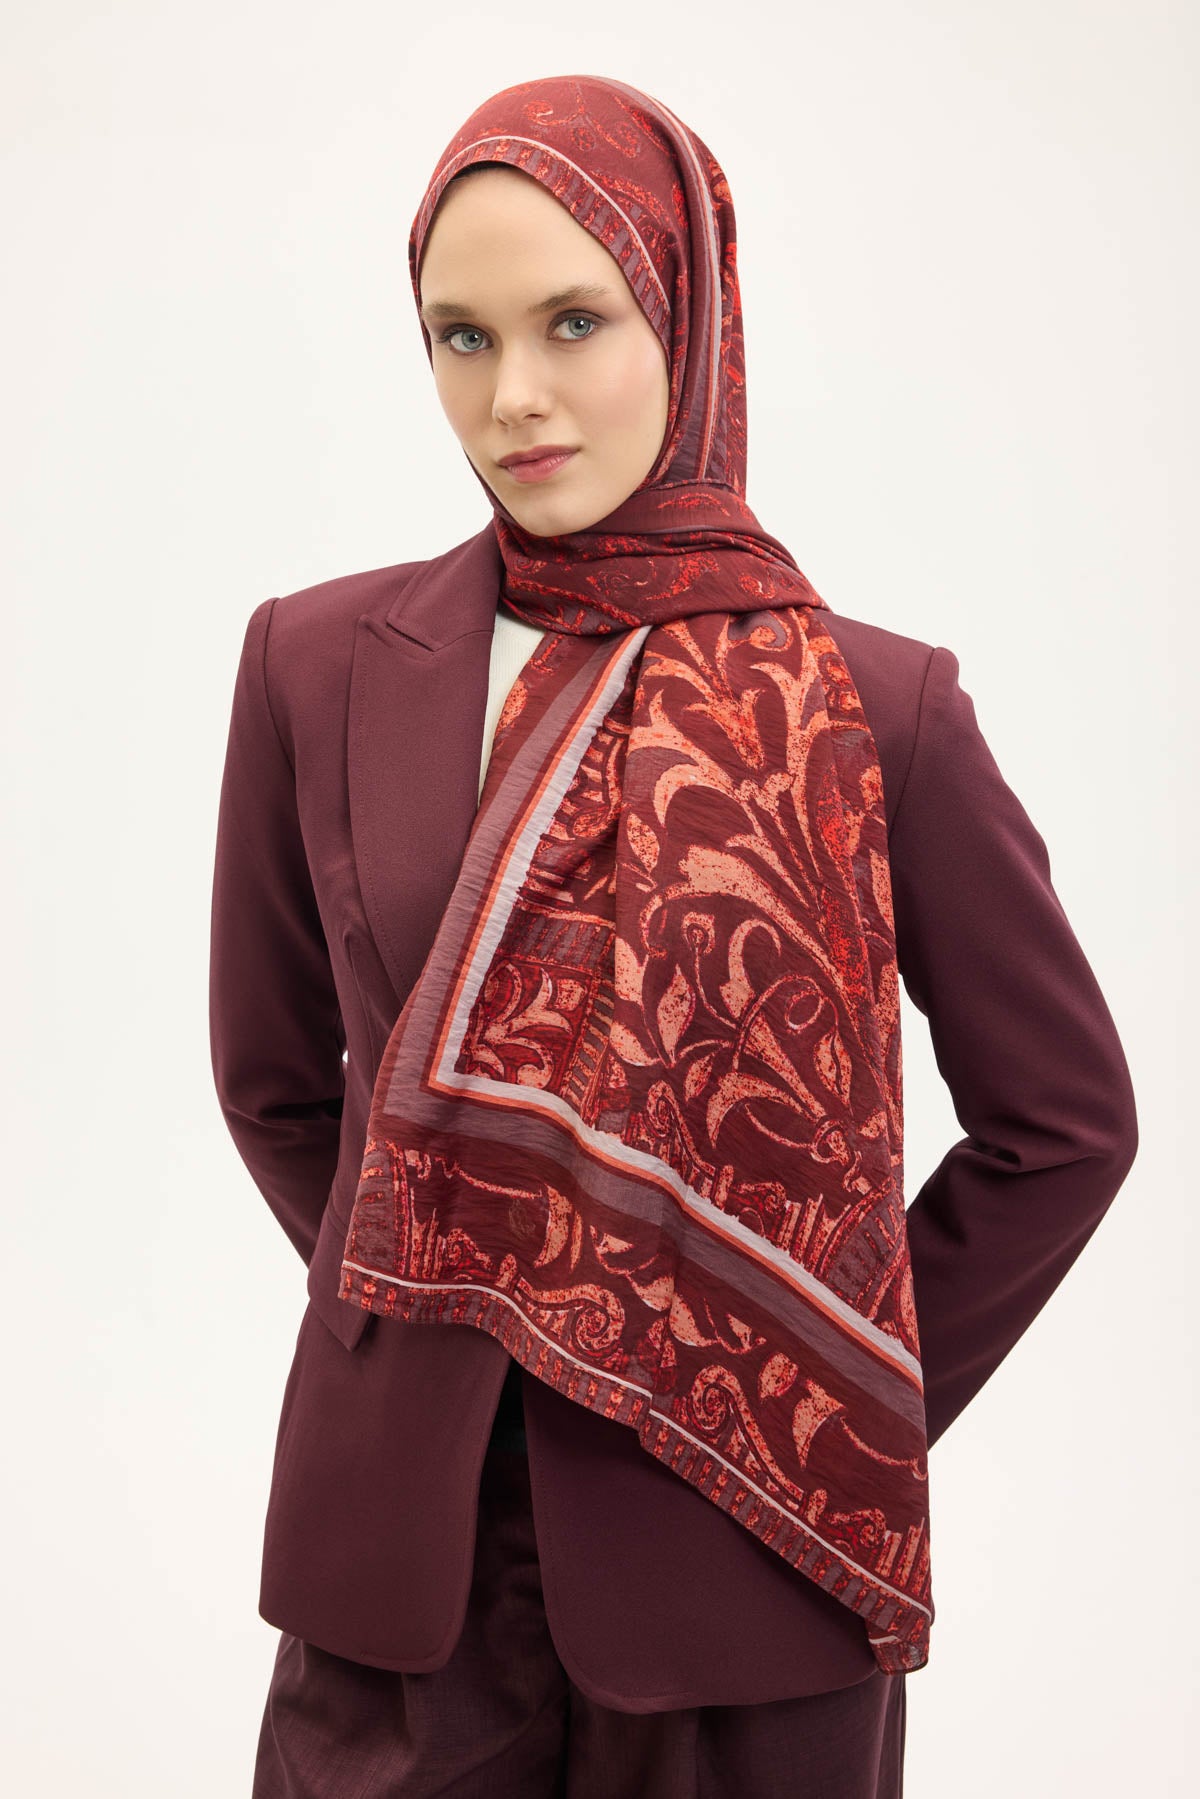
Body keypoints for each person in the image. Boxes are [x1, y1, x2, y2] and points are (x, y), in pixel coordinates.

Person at [209, 74, 1138, 1799]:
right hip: (399, 1571)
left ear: (690, 315)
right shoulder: (315, 667)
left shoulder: (881, 710)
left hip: (749, 1564)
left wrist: (822, 1383)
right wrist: (445, 1301)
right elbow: (276, 1085)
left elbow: (1066, 1130)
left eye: (575, 320)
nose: (516, 395)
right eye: (462, 337)